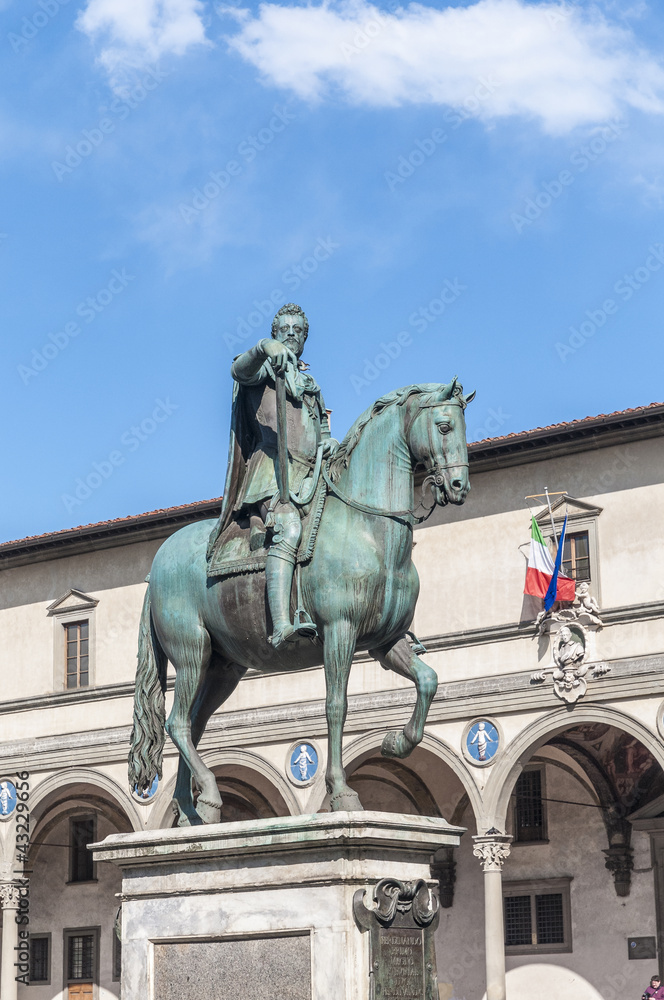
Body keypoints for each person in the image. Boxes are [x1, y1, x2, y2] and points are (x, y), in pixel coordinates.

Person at [207, 304, 337, 649]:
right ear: (276, 332)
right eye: (285, 329)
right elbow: (238, 369)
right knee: (290, 528)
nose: (292, 334)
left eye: (299, 330)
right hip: (272, 472)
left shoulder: (310, 382)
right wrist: (265, 346)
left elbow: (321, 428)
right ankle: (281, 624)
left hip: (312, 474)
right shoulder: (265, 365)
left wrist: (330, 444)